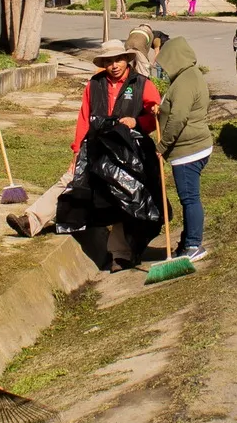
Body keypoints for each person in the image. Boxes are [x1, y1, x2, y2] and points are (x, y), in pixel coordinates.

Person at [54, 39, 163, 269]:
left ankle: (120, 254)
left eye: (118, 60)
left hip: (130, 153)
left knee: (126, 197)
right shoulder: (94, 84)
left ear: (127, 60)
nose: (114, 65)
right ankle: (32, 220)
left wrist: (138, 121)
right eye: (109, 61)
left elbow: (156, 115)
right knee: (72, 182)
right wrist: (77, 151)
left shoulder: (142, 84)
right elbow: (84, 118)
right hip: (96, 148)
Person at [155, 35, 212, 262]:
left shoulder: (185, 81)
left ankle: (194, 245)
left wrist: (162, 145)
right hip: (193, 146)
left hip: (188, 150)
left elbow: (178, 117)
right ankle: (186, 242)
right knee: (189, 198)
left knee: (190, 199)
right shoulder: (189, 76)